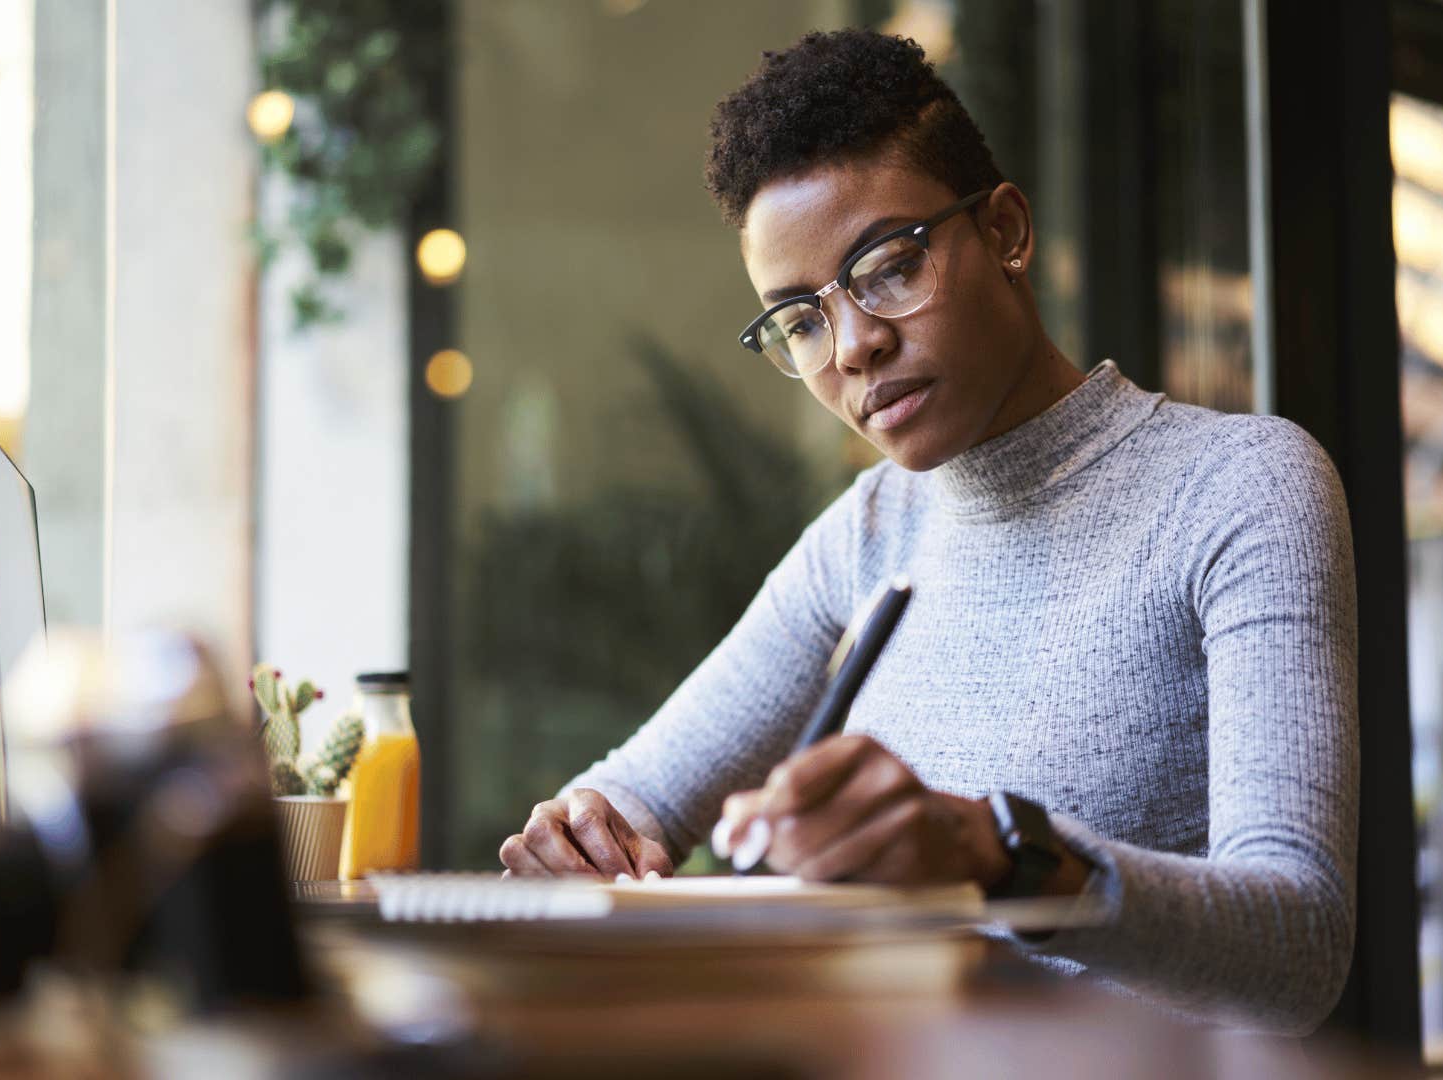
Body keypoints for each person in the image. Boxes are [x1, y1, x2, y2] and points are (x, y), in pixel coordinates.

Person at [496, 28, 1358, 1036]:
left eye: (887, 267)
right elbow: (636, 795)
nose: (854, 345)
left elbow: (1302, 946)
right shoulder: (863, 537)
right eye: (800, 320)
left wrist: (997, 856)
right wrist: (583, 831)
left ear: (1004, 232)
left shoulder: (1239, 486)